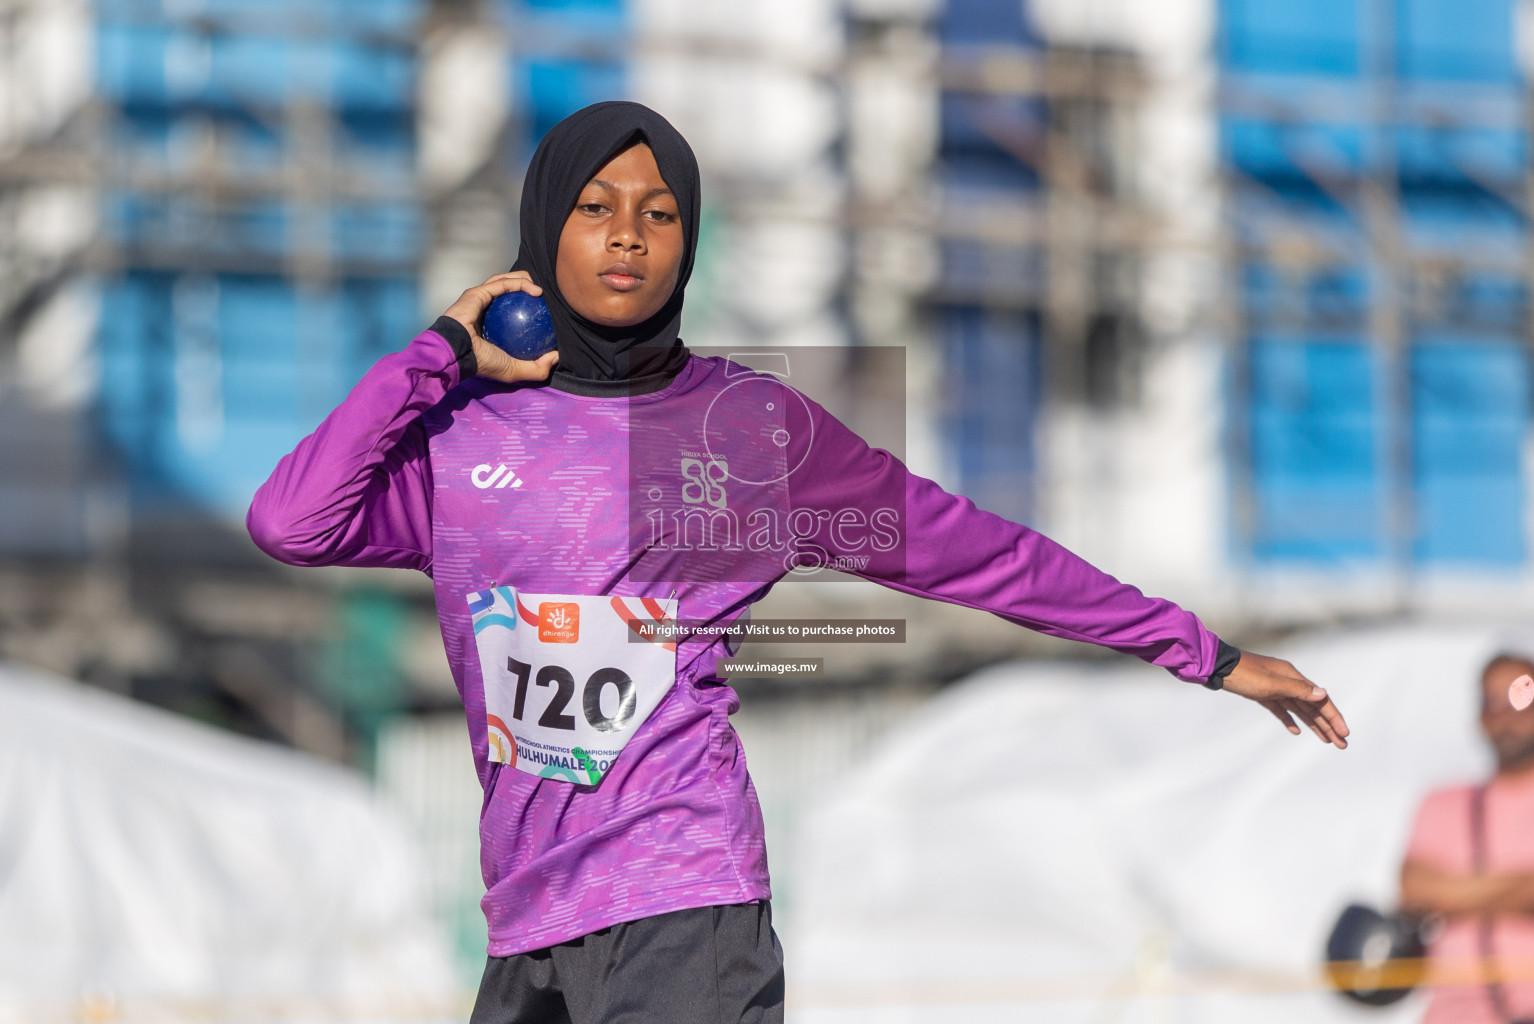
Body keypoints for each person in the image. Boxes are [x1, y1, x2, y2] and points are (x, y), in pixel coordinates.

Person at [247, 101, 1349, 1024]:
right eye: (594, 209)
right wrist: (435, 355)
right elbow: (291, 521)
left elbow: (978, 554)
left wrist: (1200, 651)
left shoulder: (746, 427)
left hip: (686, 894)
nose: (627, 235)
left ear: (689, 244)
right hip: (527, 916)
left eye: (658, 213)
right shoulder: (468, 433)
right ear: (540, 232)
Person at [1401, 653, 1534, 1023]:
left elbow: (1433, 892)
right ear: (1478, 715)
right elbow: (1414, 890)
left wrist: (1454, 892)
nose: (1506, 715)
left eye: (1521, 698)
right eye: (1492, 702)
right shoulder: (1442, 802)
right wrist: (1518, 886)